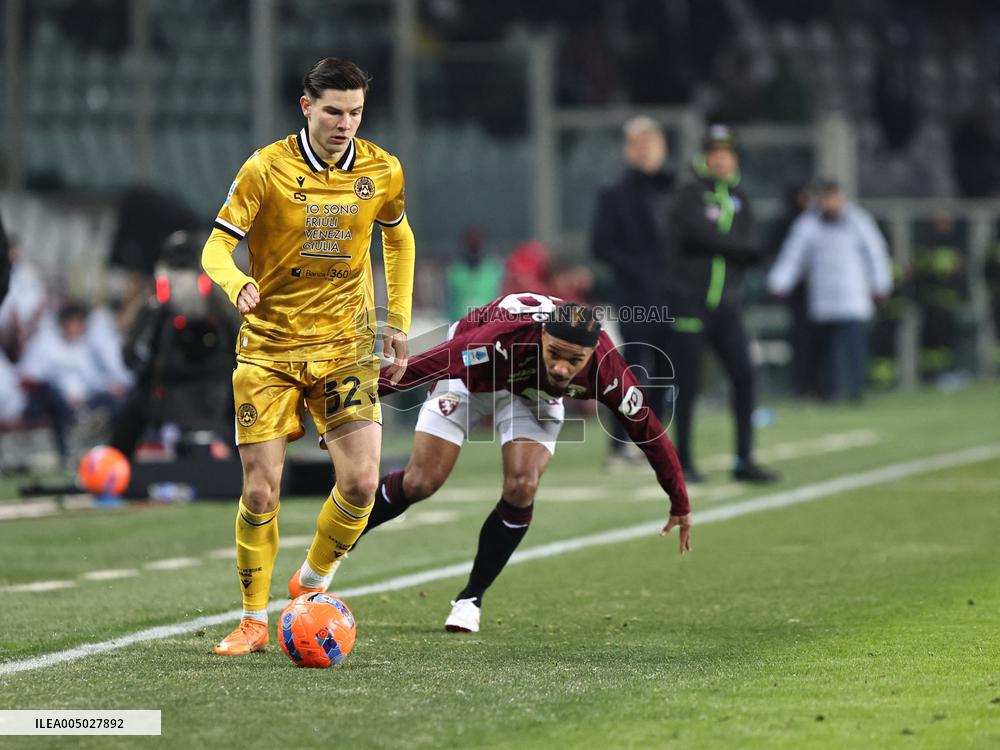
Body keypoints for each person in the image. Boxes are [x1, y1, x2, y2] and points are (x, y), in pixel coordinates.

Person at [291, 293, 692, 633]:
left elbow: (650, 434)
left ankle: (470, 598)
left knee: (523, 484)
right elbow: (419, 369)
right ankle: (332, 553)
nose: (563, 369)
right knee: (422, 481)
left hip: (530, 394)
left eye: (575, 361)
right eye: (555, 354)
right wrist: (340, 408)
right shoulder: (495, 340)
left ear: (593, 351)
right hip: (471, 376)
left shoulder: (609, 370)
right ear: (540, 336)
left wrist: (680, 502)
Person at [202, 58, 415, 655]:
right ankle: (251, 620)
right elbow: (216, 246)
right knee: (262, 493)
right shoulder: (266, 168)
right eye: (333, 111)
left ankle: (311, 582)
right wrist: (233, 282)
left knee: (363, 481)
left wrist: (396, 320)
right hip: (269, 349)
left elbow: (397, 236)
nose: (345, 123)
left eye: (355, 112)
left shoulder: (382, 169)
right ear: (306, 107)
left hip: (344, 345)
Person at [667, 125, 777, 483]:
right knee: (688, 381)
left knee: (744, 373)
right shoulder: (689, 194)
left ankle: (744, 459)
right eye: (714, 152)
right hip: (690, 301)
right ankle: (681, 461)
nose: (720, 158)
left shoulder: (740, 198)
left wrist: (737, 248)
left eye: (726, 152)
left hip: (727, 305)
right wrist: (738, 248)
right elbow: (699, 235)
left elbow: (753, 246)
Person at [590, 115, 675, 467]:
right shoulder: (615, 193)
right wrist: (638, 271)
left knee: (667, 370)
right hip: (635, 296)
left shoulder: (676, 188)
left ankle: (654, 442)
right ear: (628, 150)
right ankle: (621, 445)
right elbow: (600, 245)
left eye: (652, 142)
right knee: (634, 368)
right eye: (639, 144)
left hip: (673, 296)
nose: (646, 151)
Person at [767, 180, 892, 402]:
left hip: (853, 295)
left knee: (854, 347)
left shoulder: (858, 221)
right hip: (824, 297)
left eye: (833, 197)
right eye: (825, 198)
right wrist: (779, 282)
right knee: (828, 351)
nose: (829, 203)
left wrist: (880, 284)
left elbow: (876, 253)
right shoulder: (808, 223)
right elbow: (793, 256)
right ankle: (832, 392)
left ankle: (856, 390)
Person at [444, 226, 502, 320]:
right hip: (460, 325)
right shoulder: (454, 271)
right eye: (470, 243)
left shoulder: (494, 270)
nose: (474, 247)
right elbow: (446, 302)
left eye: (477, 242)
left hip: (489, 325)